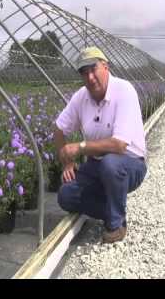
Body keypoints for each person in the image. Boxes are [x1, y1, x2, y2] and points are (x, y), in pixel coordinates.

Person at [54, 46, 147, 244]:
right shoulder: (81, 96)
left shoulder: (124, 91)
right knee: (66, 195)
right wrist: (67, 163)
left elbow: (120, 145)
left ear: (106, 67)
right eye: (84, 73)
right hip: (96, 166)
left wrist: (79, 148)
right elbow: (59, 128)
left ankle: (116, 224)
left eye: (93, 69)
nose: (89, 77)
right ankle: (112, 208)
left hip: (130, 163)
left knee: (110, 164)